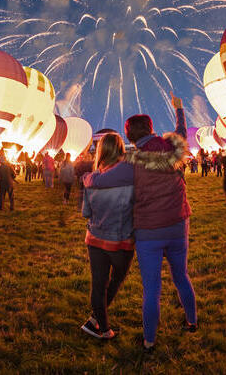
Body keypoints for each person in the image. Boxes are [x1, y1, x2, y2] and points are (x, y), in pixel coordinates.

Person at [92, 92, 196, 352]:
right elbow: (181, 130)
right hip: (178, 224)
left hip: (149, 230)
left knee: (152, 287)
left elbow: (101, 181)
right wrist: (179, 108)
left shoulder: (131, 163)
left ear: (129, 137)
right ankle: (192, 322)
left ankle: (149, 341)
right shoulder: (173, 149)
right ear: (151, 129)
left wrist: (87, 179)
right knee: (181, 275)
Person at [80, 133, 135, 340]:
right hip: (121, 240)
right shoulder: (129, 178)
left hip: (95, 238)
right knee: (116, 280)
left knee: (98, 284)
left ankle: (100, 326)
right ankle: (100, 325)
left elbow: (85, 213)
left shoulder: (91, 179)